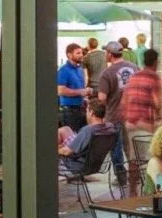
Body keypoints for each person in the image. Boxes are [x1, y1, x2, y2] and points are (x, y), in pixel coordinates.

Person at [96, 41, 138, 180]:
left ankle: (121, 178)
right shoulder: (134, 68)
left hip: (114, 115)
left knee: (116, 148)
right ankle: (135, 175)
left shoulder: (107, 73)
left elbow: (102, 97)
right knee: (131, 147)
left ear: (109, 54)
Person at [58, 102, 116, 176]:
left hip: (77, 166)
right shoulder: (110, 127)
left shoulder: (88, 130)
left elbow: (67, 152)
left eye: (87, 111)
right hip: (96, 165)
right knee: (66, 129)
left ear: (91, 112)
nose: (86, 114)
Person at [56, 42, 91, 134]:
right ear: (69, 55)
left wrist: (84, 98)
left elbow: (79, 88)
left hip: (81, 109)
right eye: (78, 53)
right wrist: (80, 92)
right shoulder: (63, 70)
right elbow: (60, 90)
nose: (81, 55)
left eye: (81, 53)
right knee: (72, 140)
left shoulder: (79, 70)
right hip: (69, 112)